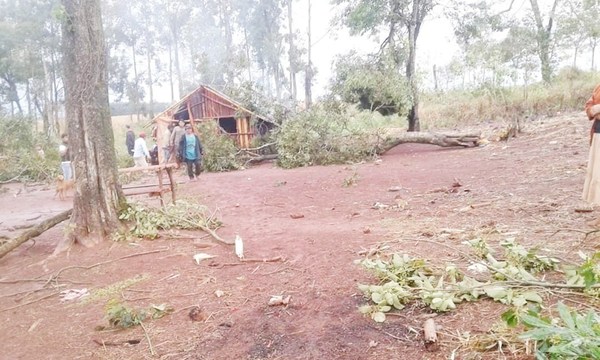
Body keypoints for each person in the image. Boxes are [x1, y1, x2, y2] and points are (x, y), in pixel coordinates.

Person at [583, 84, 600, 211]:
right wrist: (595, 110)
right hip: (598, 134)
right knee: (597, 173)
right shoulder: (598, 87)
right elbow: (589, 106)